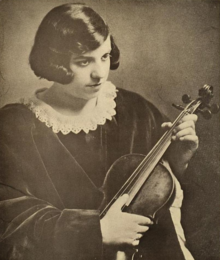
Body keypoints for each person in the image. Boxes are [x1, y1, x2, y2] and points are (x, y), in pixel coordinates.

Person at [0, 3, 198, 260]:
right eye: (84, 62)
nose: (99, 73)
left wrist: (179, 159)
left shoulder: (136, 109)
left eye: (104, 57)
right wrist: (95, 231)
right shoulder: (12, 126)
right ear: (55, 62)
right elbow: (9, 216)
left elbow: (166, 200)